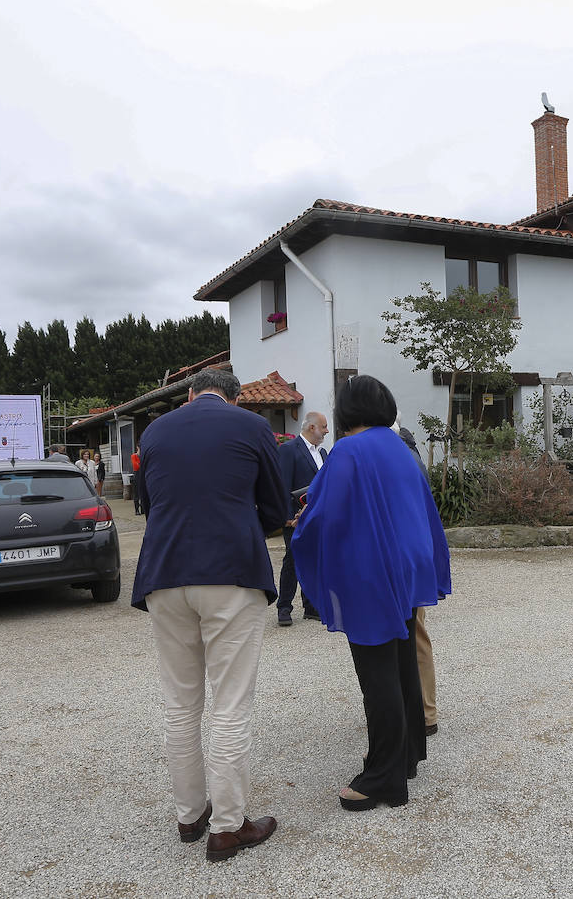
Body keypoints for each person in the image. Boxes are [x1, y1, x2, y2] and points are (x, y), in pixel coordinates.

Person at [132, 369, 289, 861]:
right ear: (234, 396)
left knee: (180, 704)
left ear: (192, 394)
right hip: (230, 573)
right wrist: (246, 522)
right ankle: (227, 827)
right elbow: (277, 505)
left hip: (163, 573)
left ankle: (189, 815)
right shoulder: (250, 426)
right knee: (230, 703)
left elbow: (146, 503)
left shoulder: (155, 431)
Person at [292, 375, 451, 811]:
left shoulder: (349, 450)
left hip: (372, 570)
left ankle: (382, 778)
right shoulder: (397, 445)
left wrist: (298, 527)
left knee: (376, 672)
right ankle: (408, 756)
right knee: (401, 662)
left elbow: (324, 511)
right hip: (406, 564)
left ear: (346, 411)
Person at [398, 425, 440, 738]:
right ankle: (422, 710)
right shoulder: (408, 449)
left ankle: (424, 712)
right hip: (414, 554)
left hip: (405, 556)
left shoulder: (400, 454)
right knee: (415, 633)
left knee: (414, 633)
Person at [274, 412, 328, 626]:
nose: (326, 430)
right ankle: (284, 607)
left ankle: (311, 606)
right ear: (311, 427)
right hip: (296, 518)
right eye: (323, 426)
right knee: (292, 559)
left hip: (317, 517)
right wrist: (287, 517)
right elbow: (282, 484)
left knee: (314, 560)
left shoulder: (323, 453)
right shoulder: (289, 449)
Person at [131, 446, 143, 514]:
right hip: (137, 475)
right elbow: (136, 466)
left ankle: (143, 509)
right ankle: (137, 510)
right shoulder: (134, 456)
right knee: (136, 493)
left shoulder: (143, 456)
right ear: (137, 447)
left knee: (143, 492)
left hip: (142, 474)